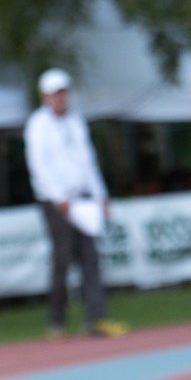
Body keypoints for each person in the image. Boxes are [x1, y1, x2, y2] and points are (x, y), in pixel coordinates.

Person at [23, 68, 128, 341]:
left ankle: (97, 318)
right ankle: (56, 322)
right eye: (55, 94)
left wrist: (101, 195)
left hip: (81, 201)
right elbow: (39, 166)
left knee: (91, 257)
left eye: (63, 92)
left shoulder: (76, 121)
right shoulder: (38, 124)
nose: (60, 98)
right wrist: (59, 197)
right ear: (44, 96)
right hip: (54, 202)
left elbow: (88, 161)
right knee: (63, 258)